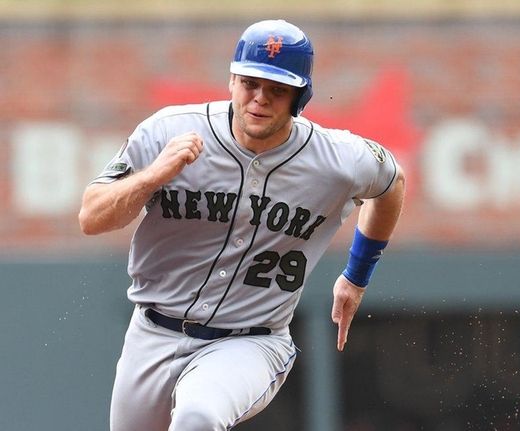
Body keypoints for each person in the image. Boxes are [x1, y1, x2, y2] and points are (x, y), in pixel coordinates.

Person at [78, 19, 405, 431]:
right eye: (250, 83)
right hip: (152, 332)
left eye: (276, 89)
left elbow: (392, 183)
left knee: (198, 418)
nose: (259, 99)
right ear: (232, 80)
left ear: (298, 97)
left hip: (250, 340)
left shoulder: (336, 158)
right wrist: (152, 177)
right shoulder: (169, 131)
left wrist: (357, 276)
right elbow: (92, 217)